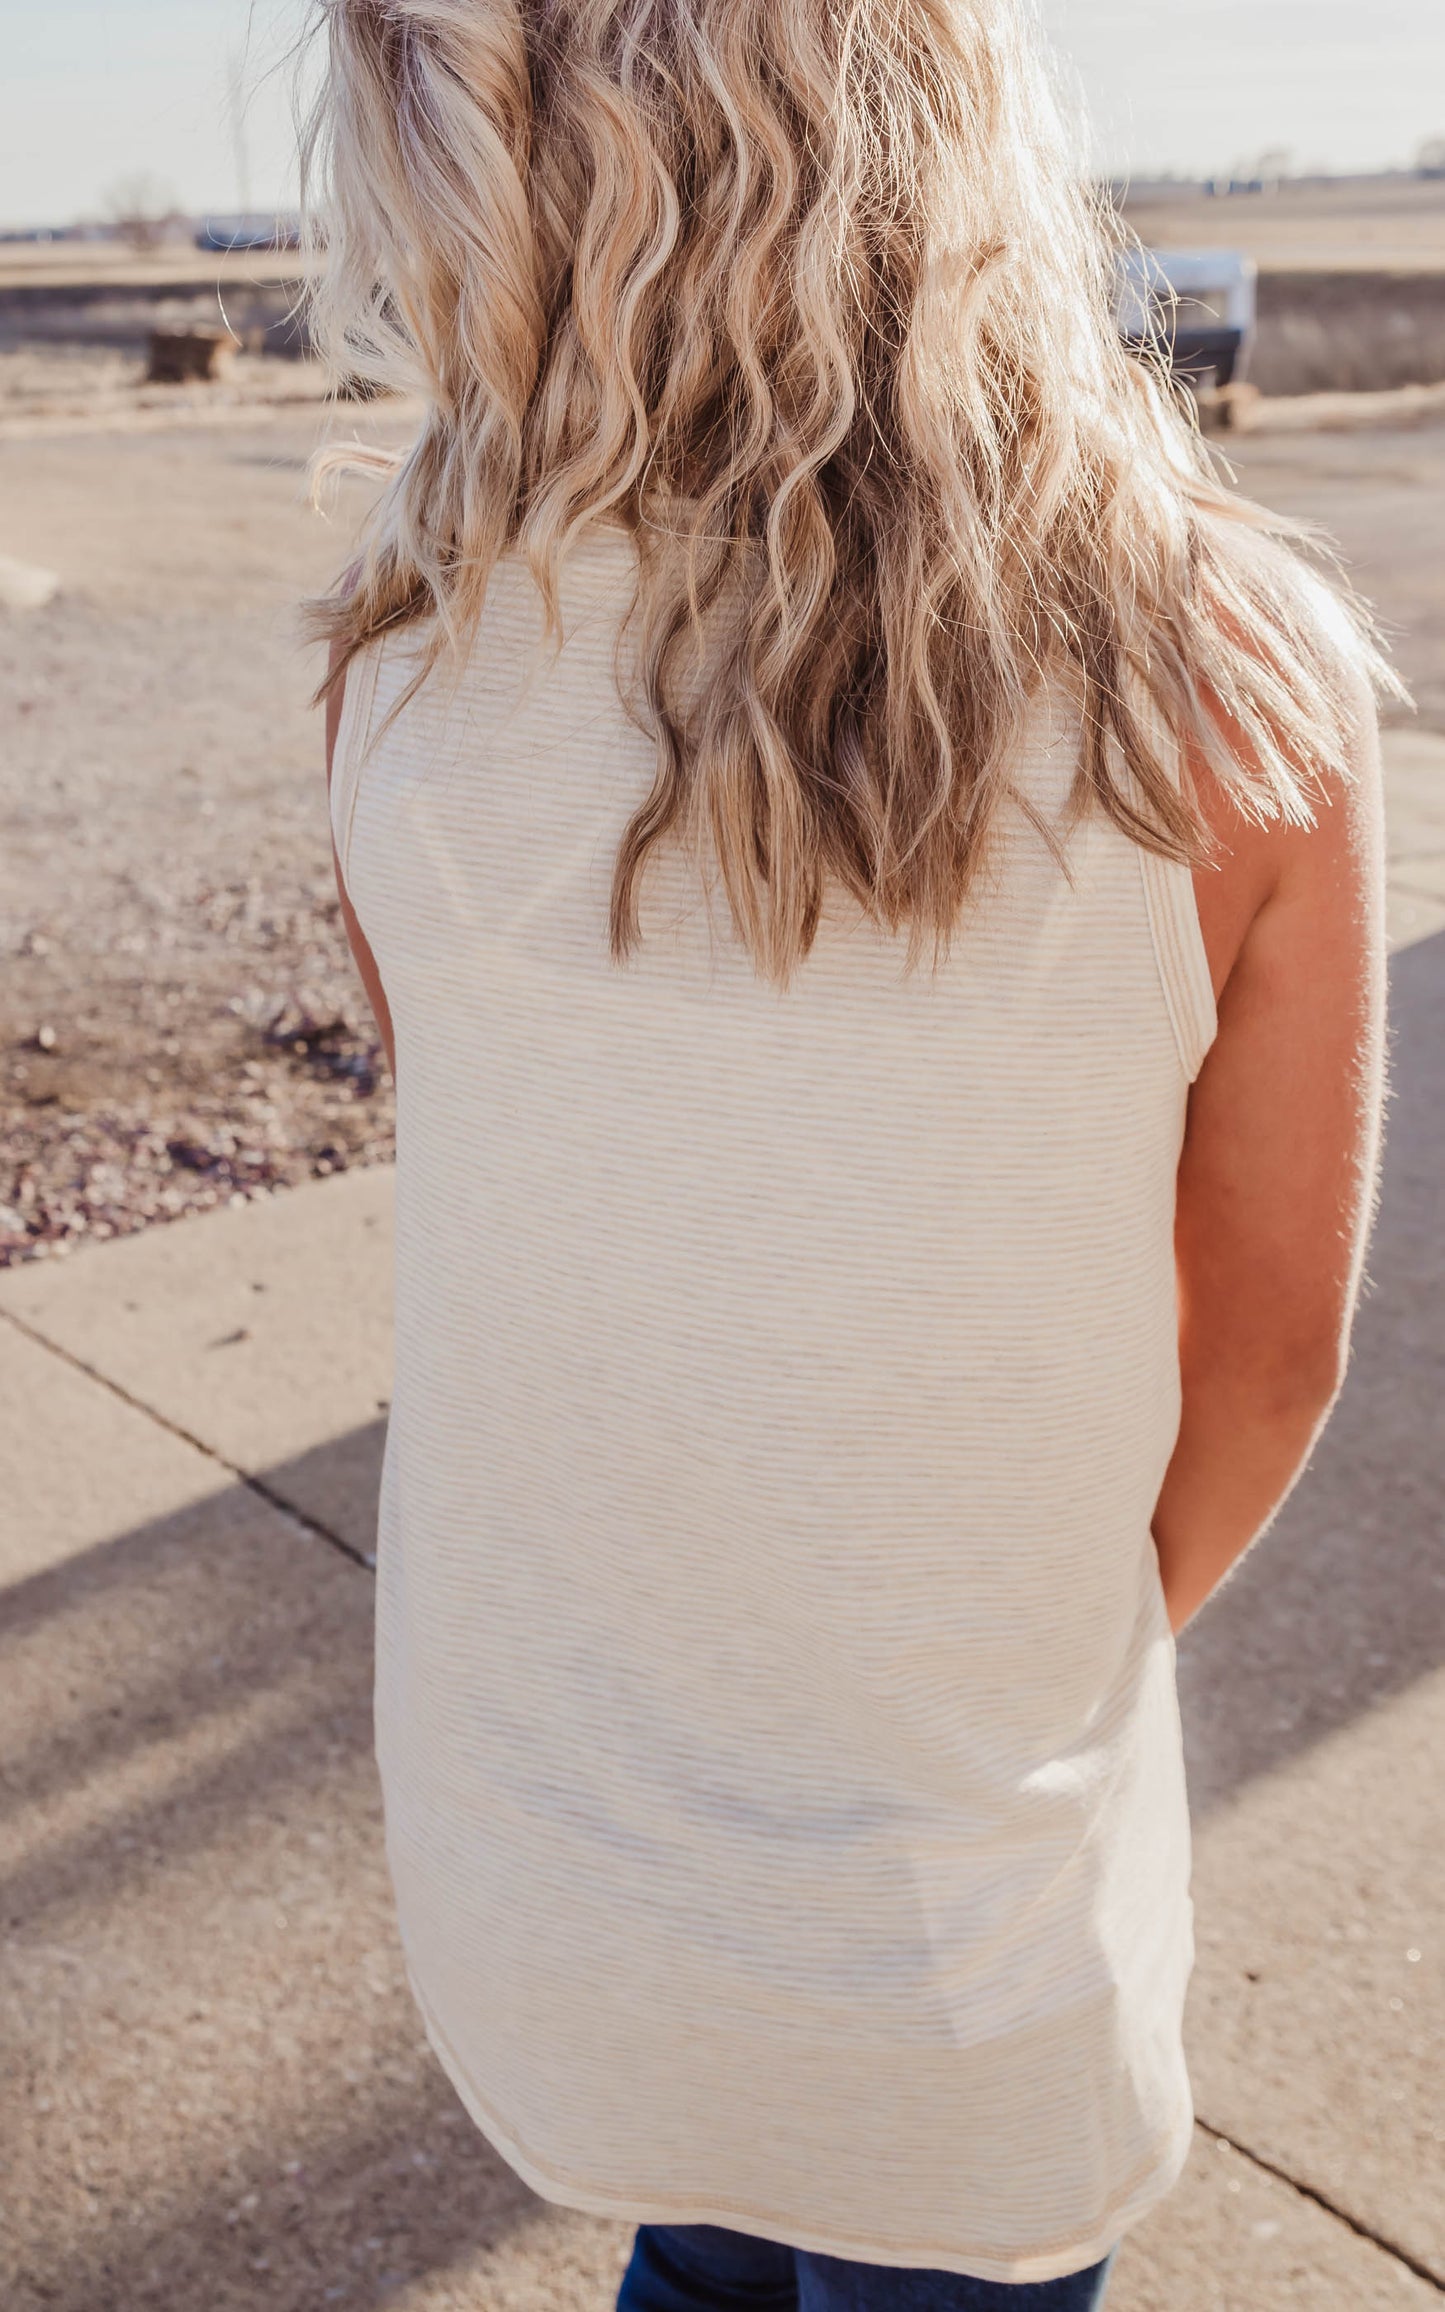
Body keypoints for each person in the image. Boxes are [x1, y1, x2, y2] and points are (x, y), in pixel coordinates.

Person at [306, 0, 1393, 2303]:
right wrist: (1008, 1656)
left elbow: (556, 1181)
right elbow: (1272, 1359)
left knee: (697, 2253)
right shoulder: (1236, 679)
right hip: (958, 1938)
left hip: (567, 1883)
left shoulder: (400, 673)